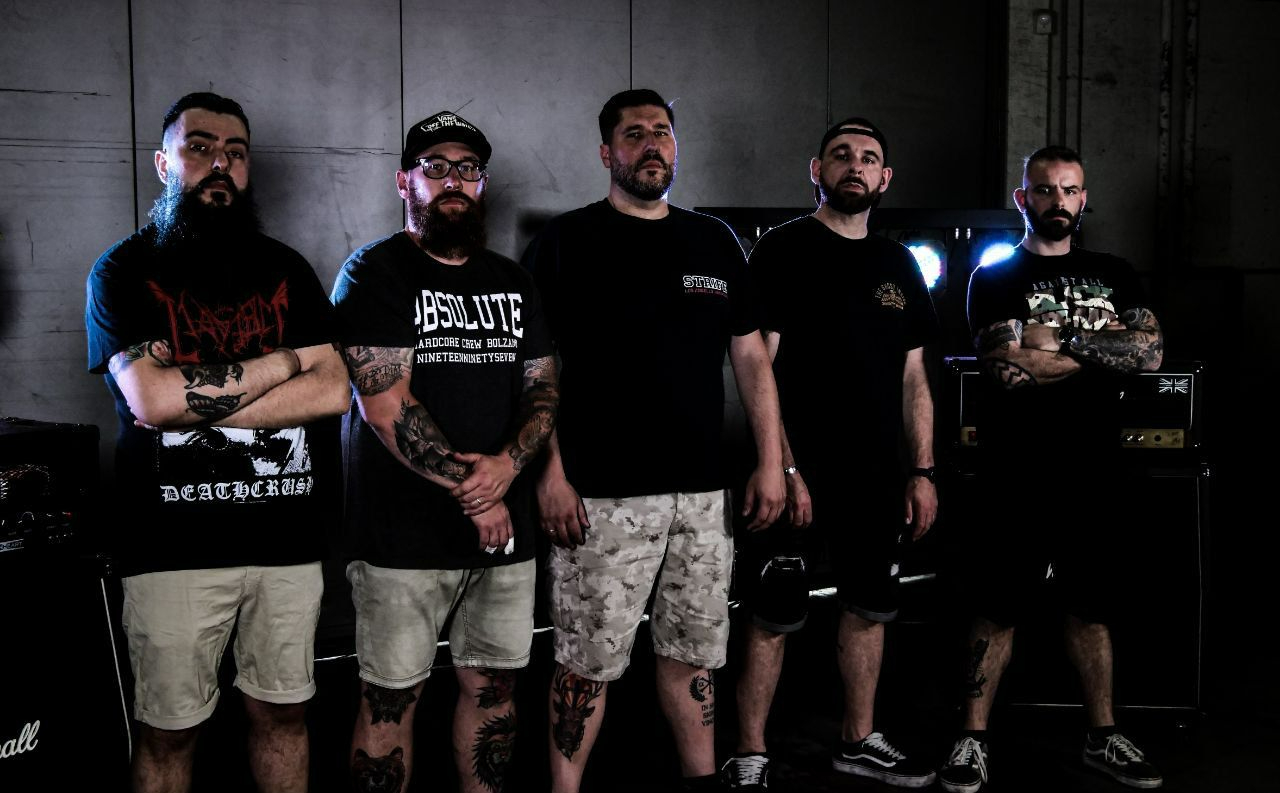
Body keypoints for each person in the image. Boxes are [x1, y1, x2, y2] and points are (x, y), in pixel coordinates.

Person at [522, 88, 785, 793]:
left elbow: (750, 356)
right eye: (634, 134)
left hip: (702, 497)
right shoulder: (565, 242)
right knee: (586, 663)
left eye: (662, 132)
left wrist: (771, 460)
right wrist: (550, 474)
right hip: (599, 495)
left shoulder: (713, 241)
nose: (651, 145)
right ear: (606, 152)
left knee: (693, 654)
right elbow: (535, 369)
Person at [85, 91, 349, 793]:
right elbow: (151, 400)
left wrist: (195, 402)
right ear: (163, 163)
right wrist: (285, 362)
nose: (220, 164)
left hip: (287, 544)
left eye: (235, 152)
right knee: (169, 731)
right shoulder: (122, 271)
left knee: (285, 716)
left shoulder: (287, 270)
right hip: (170, 550)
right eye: (199, 148)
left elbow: (333, 390)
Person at [332, 111, 558, 793]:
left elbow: (543, 390)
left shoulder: (513, 281)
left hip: (504, 539)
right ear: (405, 181)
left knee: (494, 689)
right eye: (435, 167)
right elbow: (385, 405)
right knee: (390, 696)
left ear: (482, 183)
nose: (453, 180)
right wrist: (478, 493)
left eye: (467, 168)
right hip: (402, 537)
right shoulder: (374, 271)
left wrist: (507, 468)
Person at [937, 145, 1165, 793]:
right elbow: (1007, 368)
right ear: (1023, 198)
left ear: (1083, 199)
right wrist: (1102, 347)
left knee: (1092, 606)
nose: (1057, 201)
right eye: (1044, 189)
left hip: (1094, 468)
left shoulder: (1114, 271)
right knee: (996, 604)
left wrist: (1057, 341)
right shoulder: (995, 276)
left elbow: (1149, 352)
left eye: (1069, 190)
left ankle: (1102, 734)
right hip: (1015, 469)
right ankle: (973, 737)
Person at [721, 118, 941, 790]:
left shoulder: (898, 264)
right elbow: (759, 369)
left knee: (869, 606)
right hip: (794, 472)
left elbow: (914, 379)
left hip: (875, 476)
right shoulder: (783, 249)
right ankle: (750, 752)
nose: (855, 165)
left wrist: (922, 471)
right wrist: (782, 466)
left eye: (869, 157)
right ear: (816, 170)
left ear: (885, 178)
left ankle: (858, 739)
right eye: (841, 155)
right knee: (773, 611)